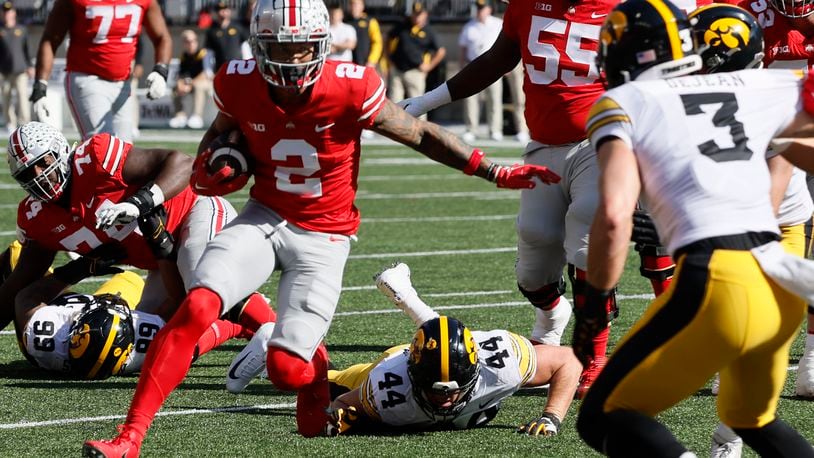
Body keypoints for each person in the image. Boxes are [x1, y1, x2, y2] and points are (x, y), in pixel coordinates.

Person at [81, 0, 562, 454]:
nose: (292, 60)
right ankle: (130, 438)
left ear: (322, 44)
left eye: (302, 47)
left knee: (287, 372)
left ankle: (309, 359)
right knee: (197, 304)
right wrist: (219, 163)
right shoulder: (237, 80)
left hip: (325, 235)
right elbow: (213, 146)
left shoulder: (352, 85)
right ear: (257, 47)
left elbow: (419, 133)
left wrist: (493, 170)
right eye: (280, 49)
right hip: (264, 216)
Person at [573, 0, 814, 455]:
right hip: (781, 282)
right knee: (752, 419)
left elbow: (612, 216)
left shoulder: (626, 100)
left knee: (604, 417)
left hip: (720, 279)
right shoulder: (754, 86)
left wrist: (592, 310)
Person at [398, 0, 620, 397]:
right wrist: (426, 103)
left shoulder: (627, 7)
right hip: (543, 144)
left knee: (588, 243)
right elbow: (496, 61)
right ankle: (553, 314)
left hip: (602, 140)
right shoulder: (527, 6)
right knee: (533, 265)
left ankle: (592, 357)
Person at [226, 262, 583, 436]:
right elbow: (343, 404)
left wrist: (550, 416)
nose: (444, 399)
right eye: (435, 389)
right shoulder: (388, 390)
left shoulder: (502, 364)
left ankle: (405, 294)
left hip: (455, 355)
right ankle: (276, 339)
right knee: (321, 384)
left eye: (453, 390)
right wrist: (343, 416)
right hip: (392, 362)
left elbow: (569, 361)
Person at [0, 122, 275, 337]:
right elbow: (19, 283)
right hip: (161, 258)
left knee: (199, 282)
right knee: (148, 332)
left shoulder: (94, 158)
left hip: (196, 212)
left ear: (60, 151)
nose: (38, 176)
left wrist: (139, 202)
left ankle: (275, 336)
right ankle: (239, 322)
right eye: (27, 173)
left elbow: (181, 161)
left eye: (43, 162)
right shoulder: (37, 217)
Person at [720, 0, 814, 401]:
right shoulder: (735, 9)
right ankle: (734, 349)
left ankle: (811, 360)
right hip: (763, 139)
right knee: (749, 238)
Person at [13, 260, 251, 379]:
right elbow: (181, 299)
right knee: (190, 331)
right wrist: (163, 254)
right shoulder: (144, 348)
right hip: (130, 325)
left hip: (68, 312)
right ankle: (255, 324)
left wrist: (79, 269)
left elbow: (26, 297)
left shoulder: (45, 339)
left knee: (16, 254)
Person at [29, 0, 171, 143]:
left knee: (125, 151)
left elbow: (162, 37)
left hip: (123, 83)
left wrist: (161, 70)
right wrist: (40, 87)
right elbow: (51, 38)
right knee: (102, 147)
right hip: (87, 78)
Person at [458, 0, 503, 143]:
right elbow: (463, 49)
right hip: (473, 67)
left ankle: (495, 130)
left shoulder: (498, 23)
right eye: (478, 8)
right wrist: (462, 67)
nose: (479, 11)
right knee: (471, 100)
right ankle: (471, 129)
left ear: (489, 9)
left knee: (494, 99)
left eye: (482, 8)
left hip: (494, 67)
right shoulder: (469, 26)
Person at [386, 2, 446, 105]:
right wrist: (388, 58)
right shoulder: (403, 26)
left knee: (418, 105)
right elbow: (387, 38)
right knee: (395, 105)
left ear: (425, 14)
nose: (417, 17)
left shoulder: (429, 31)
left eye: (419, 14)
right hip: (397, 70)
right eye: (415, 14)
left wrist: (429, 66)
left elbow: (441, 51)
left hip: (415, 71)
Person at [169, 30, 215, 130]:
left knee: (198, 86)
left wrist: (190, 84)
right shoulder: (184, 56)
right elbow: (181, 74)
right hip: (191, 83)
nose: (191, 44)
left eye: (193, 40)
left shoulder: (204, 53)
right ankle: (180, 115)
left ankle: (197, 116)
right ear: (184, 43)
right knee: (175, 87)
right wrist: (180, 83)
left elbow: (206, 74)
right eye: (187, 41)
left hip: (207, 82)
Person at [0, 1, 33, 133]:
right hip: (3, 71)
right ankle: (10, 123)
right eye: (4, 11)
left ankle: (24, 123)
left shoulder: (22, 29)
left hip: (20, 70)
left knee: (22, 97)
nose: (7, 14)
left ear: (13, 13)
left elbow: (27, 50)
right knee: (6, 97)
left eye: (9, 11)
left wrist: (30, 66)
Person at [205, 1, 249, 73]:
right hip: (221, 70)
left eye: (225, 9)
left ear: (229, 11)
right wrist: (208, 71)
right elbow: (209, 53)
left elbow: (245, 47)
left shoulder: (238, 28)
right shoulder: (212, 31)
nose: (223, 12)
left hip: (238, 70)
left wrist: (246, 66)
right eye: (220, 9)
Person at [346, 0, 383, 69]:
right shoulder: (344, 21)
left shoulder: (370, 21)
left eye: (356, 4)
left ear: (362, 6)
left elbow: (377, 43)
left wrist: (372, 60)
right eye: (351, 4)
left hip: (364, 64)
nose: (354, 7)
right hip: (347, 65)